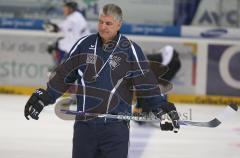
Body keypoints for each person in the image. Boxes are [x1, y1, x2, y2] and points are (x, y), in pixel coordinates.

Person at [24, 4, 180, 158]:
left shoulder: (130, 50)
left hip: (116, 130)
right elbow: (63, 76)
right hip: (84, 128)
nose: (103, 27)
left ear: (119, 25)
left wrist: (161, 107)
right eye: (101, 22)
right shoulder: (83, 45)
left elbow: (146, 84)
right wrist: (45, 96)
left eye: (108, 23)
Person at [44, 1, 90, 66]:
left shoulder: (73, 19)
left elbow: (62, 30)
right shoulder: (76, 16)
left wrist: (56, 45)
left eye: (65, 8)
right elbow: (62, 29)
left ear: (70, 9)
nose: (64, 10)